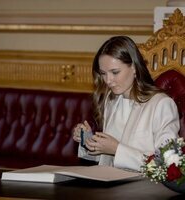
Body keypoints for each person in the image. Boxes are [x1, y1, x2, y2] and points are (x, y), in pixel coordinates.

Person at [73, 36, 180, 171]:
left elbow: (167, 165)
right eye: (103, 73)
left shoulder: (161, 104)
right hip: (109, 183)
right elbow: (108, 159)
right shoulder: (110, 101)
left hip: (144, 187)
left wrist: (117, 149)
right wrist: (89, 142)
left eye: (115, 72)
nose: (108, 80)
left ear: (134, 67)